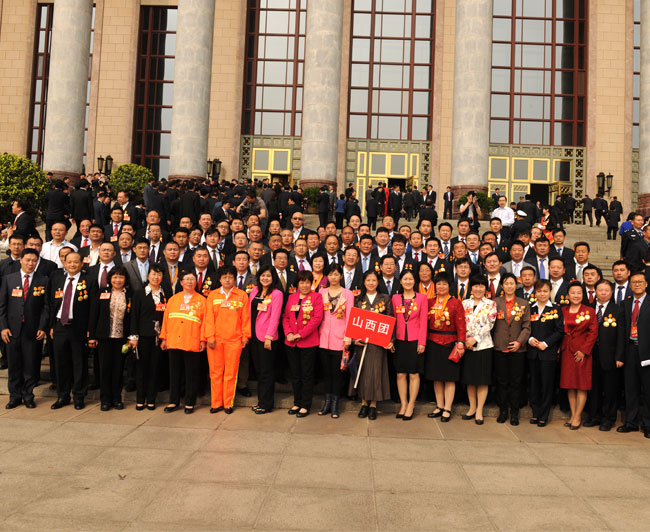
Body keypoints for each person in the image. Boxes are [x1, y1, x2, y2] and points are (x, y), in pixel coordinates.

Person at [0, 249, 49, 409]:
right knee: (14, 366)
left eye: (34, 261)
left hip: (33, 331)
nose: (30, 263)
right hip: (12, 331)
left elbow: (46, 307)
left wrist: (42, 327)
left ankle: (28, 396)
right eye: (27, 260)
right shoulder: (8, 279)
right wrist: (3, 328)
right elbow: (2, 306)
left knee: (30, 365)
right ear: (21, 260)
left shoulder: (43, 280)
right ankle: (14, 397)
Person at [203, 265, 251, 415]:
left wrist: (245, 336)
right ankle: (216, 403)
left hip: (234, 340)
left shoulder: (242, 295)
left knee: (231, 373)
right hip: (215, 340)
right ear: (220, 279)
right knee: (215, 373)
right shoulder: (213, 295)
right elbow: (208, 318)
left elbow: (245, 318)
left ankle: (228, 403)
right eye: (225, 277)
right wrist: (209, 336)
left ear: (235, 279)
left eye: (231, 277)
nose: (228, 280)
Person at [159, 271, 207, 414]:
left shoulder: (202, 300)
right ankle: (173, 401)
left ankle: (189, 402)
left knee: (191, 373)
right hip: (174, 340)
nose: (189, 282)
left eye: (192, 279)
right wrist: (164, 338)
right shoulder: (173, 299)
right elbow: (166, 320)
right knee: (174, 373)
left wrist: (203, 339)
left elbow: (205, 322)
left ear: (196, 282)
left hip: (192, 340)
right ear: (181, 282)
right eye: (186, 279)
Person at [48, 251, 91, 410]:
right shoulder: (57, 279)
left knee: (79, 363)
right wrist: (51, 326)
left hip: (79, 327)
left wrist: (90, 329)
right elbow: (51, 303)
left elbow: (93, 307)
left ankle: (79, 396)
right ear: (64, 264)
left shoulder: (89, 280)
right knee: (61, 362)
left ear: (81, 264)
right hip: (60, 326)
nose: (72, 264)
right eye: (69, 262)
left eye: (76, 262)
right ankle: (63, 396)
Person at [349, 270, 394, 420]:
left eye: (374, 280)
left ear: (378, 282)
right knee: (362, 373)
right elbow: (352, 320)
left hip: (378, 344)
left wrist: (390, 341)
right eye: (368, 280)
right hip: (361, 343)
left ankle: (373, 404)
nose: (371, 283)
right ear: (364, 282)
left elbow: (391, 320)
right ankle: (363, 403)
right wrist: (354, 340)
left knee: (376, 372)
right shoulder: (358, 299)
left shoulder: (385, 298)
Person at [87, 266, 132, 411]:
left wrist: (131, 336)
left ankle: (117, 399)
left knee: (118, 369)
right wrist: (92, 336)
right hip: (104, 337)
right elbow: (94, 314)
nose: (118, 280)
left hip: (121, 338)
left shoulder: (130, 294)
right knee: (105, 368)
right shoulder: (102, 292)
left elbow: (132, 317)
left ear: (125, 279)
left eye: (121, 277)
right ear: (110, 278)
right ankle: (105, 400)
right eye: (115, 277)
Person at [283, 270, 324, 417]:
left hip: (308, 342)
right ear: (298, 284)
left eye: (307, 282)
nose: (305, 285)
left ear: (311, 283)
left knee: (307, 375)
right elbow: (286, 317)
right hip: (291, 342)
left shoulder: (316, 297)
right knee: (295, 375)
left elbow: (316, 318)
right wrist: (288, 333)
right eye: (302, 282)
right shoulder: (292, 297)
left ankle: (305, 405)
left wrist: (300, 334)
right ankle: (297, 402)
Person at [584, 279, 624, 431]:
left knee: (609, 389)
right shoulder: (588, 308)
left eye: (606, 290)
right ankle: (594, 416)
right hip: (591, 355)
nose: (603, 293)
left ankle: (609, 418)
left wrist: (619, 356)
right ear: (595, 292)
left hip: (610, 356)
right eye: (600, 290)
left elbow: (621, 336)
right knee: (593, 387)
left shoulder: (618, 310)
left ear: (611, 292)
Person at [425, 273, 466, 422]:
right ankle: (439, 406)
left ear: (449, 286)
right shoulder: (429, 302)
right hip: (432, 342)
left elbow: (461, 324)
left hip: (450, 343)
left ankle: (448, 408)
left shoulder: (456, 303)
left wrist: (461, 342)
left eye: (444, 284)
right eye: (438, 284)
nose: (441, 286)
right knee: (436, 377)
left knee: (449, 378)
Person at [492, 272, 531, 426]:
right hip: (499, 347)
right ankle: (503, 411)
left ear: (516, 285)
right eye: (506, 283)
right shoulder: (494, 302)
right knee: (501, 381)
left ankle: (514, 413)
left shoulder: (524, 303)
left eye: (512, 283)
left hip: (517, 349)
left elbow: (527, 327)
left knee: (516, 382)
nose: (509, 286)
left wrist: (519, 342)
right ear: (502, 286)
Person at [560, 281, 598, 429]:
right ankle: (573, 414)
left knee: (582, 385)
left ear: (583, 295)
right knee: (570, 384)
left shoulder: (589, 311)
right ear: (568, 295)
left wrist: (584, 350)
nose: (576, 295)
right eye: (573, 293)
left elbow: (593, 333)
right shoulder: (562, 310)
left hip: (582, 353)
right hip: (566, 351)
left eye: (579, 293)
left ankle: (578, 416)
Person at [318, 264, 354, 418]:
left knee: (337, 373)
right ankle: (327, 403)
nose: (333, 277)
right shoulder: (321, 292)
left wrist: (348, 338)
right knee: (326, 373)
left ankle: (335, 405)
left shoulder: (348, 294)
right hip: (323, 338)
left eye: (336, 274)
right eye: (331, 274)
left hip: (340, 339)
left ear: (341, 276)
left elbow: (350, 317)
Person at [527, 279, 564, 427]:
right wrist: (530, 339)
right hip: (532, 353)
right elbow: (525, 327)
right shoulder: (530, 308)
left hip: (548, 353)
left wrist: (546, 343)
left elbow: (559, 331)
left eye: (545, 291)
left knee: (547, 385)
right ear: (535, 292)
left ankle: (544, 415)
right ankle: (535, 413)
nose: (542, 294)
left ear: (550, 292)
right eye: (539, 291)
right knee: (534, 384)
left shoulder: (555, 309)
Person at [391, 270, 428, 420]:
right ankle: (403, 403)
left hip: (415, 340)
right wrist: (391, 340)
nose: (407, 281)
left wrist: (422, 342)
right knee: (400, 373)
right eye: (405, 279)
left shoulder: (422, 298)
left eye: (410, 279)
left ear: (415, 281)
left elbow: (424, 322)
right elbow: (392, 320)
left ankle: (411, 404)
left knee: (414, 373)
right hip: (399, 340)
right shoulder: (395, 298)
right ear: (400, 281)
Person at [129, 265, 167, 411]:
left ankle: (151, 399)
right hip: (143, 336)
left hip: (159, 337)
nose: (156, 277)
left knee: (155, 368)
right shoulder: (140, 293)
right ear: (148, 276)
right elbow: (134, 316)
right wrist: (134, 336)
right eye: (153, 274)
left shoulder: (165, 293)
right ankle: (140, 399)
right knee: (141, 368)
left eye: (159, 274)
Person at [617, 272, 650, 438]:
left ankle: (648, 425)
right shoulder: (626, 303)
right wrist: (620, 355)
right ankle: (631, 423)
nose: (637, 284)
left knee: (648, 390)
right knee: (631, 389)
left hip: (647, 352)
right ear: (630, 286)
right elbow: (621, 329)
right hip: (630, 349)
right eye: (634, 282)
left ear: (646, 284)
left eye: (640, 282)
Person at [461, 276, 497, 425]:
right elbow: (460, 323)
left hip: (484, 345)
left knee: (482, 380)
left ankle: (480, 410)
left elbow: (490, 323)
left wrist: (475, 338)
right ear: (471, 288)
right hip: (467, 345)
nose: (478, 289)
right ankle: (472, 408)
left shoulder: (491, 304)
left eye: (482, 286)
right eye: (476, 286)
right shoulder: (465, 303)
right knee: (470, 379)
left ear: (485, 288)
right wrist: (466, 339)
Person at [249, 265, 284, 414]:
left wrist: (269, 337)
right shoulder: (255, 290)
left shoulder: (277, 294)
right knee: (259, 370)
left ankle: (266, 404)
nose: (265, 278)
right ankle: (261, 401)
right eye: (263, 275)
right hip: (253, 335)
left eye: (268, 276)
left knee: (266, 372)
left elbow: (275, 317)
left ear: (273, 277)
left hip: (266, 337)